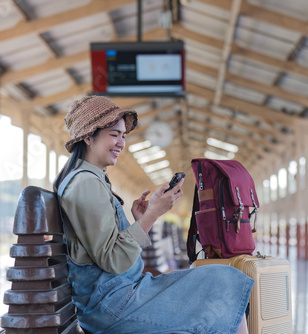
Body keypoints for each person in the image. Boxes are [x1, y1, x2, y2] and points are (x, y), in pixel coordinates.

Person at [54, 95, 254, 334]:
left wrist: (141, 218)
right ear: (88, 137)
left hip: (121, 294)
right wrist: (151, 216)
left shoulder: (90, 180)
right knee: (223, 281)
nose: (121, 143)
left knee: (222, 280)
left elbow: (107, 252)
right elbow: (114, 260)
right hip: (114, 304)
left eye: (123, 136)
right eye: (114, 134)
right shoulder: (86, 183)